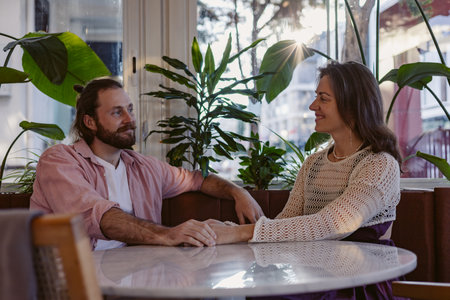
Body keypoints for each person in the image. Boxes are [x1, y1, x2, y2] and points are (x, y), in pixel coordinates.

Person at [208, 61, 403, 299]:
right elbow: (285, 224)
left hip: (359, 283)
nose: (313, 106)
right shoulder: (313, 164)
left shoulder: (379, 164)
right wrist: (222, 231)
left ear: (352, 105)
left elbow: (332, 224)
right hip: (313, 276)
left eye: (323, 98)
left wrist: (237, 233)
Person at [30, 78, 264, 250]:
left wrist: (238, 192)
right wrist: (169, 235)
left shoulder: (144, 167)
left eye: (130, 109)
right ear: (90, 122)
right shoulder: (59, 161)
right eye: (117, 113)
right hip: (71, 285)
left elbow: (198, 179)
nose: (130, 119)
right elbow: (98, 216)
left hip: (138, 280)